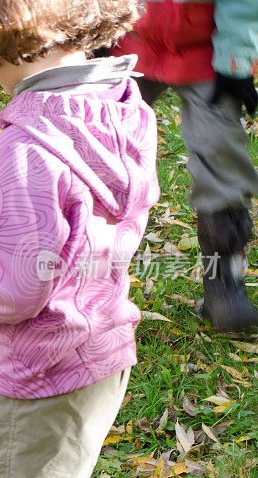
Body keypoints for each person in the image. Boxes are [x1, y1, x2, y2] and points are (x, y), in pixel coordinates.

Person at [0, 0, 160, 478]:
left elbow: (11, 290)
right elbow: (109, 199)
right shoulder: (120, 102)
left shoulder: (24, 148)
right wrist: (18, 207)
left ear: (1, 47)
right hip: (101, 351)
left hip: (38, 374)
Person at [111, 1, 258, 331]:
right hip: (126, 41)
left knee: (221, 154)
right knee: (98, 146)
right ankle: (76, 267)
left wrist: (235, 60)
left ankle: (225, 282)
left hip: (206, 51)